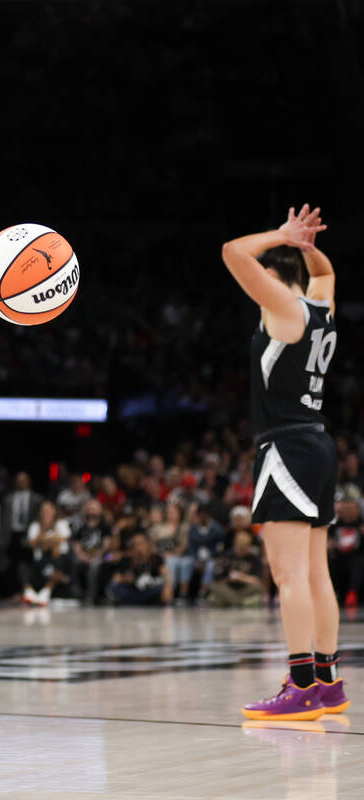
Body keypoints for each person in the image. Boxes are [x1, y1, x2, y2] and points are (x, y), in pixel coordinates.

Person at [222, 205, 349, 719]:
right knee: (317, 574)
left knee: (288, 574)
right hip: (317, 446)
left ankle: (299, 688)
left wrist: (281, 236)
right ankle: (326, 679)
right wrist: (307, 246)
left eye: (264, 282)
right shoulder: (322, 307)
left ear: (276, 280)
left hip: (287, 448)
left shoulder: (286, 310)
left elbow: (233, 252)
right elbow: (325, 273)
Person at [20, 500, 72, 605]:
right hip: (41, 559)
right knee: (22, 566)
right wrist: (43, 530)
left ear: (54, 511)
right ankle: (29, 592)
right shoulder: (35, 525)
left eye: (48, 510)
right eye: (43, 511)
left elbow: (61, 539)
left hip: (60, 558)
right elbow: (32, 543)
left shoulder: (61, 523)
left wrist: (44, 541)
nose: (46, 513)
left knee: (57, 561)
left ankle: (47, 590)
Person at [108, 532, 173, 606]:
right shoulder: (129, 559)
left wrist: (167, 586)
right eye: (136, 545)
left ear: (147, 544)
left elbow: (165, 574)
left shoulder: (155, 558)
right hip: (134, 589)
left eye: (141, 544)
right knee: (114, 586)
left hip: (150, 589)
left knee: (161, 588)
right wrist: (125, 579)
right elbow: (117, 576)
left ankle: (133, 601)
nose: (139, 547)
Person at [205, 530, 267, 608]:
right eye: (239, 547)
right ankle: (241, 603)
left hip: (245, 589)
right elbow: (218, 579)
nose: (241, 550)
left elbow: (257, 580)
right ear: (235, 545)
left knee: (259, 587)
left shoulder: (254, 559)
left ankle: (229, 602)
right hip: (228, 588)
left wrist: (241, 577)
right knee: (213, 586)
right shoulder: (225, 557)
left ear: (249, 547)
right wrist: (230, 579)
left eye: (244, 548)